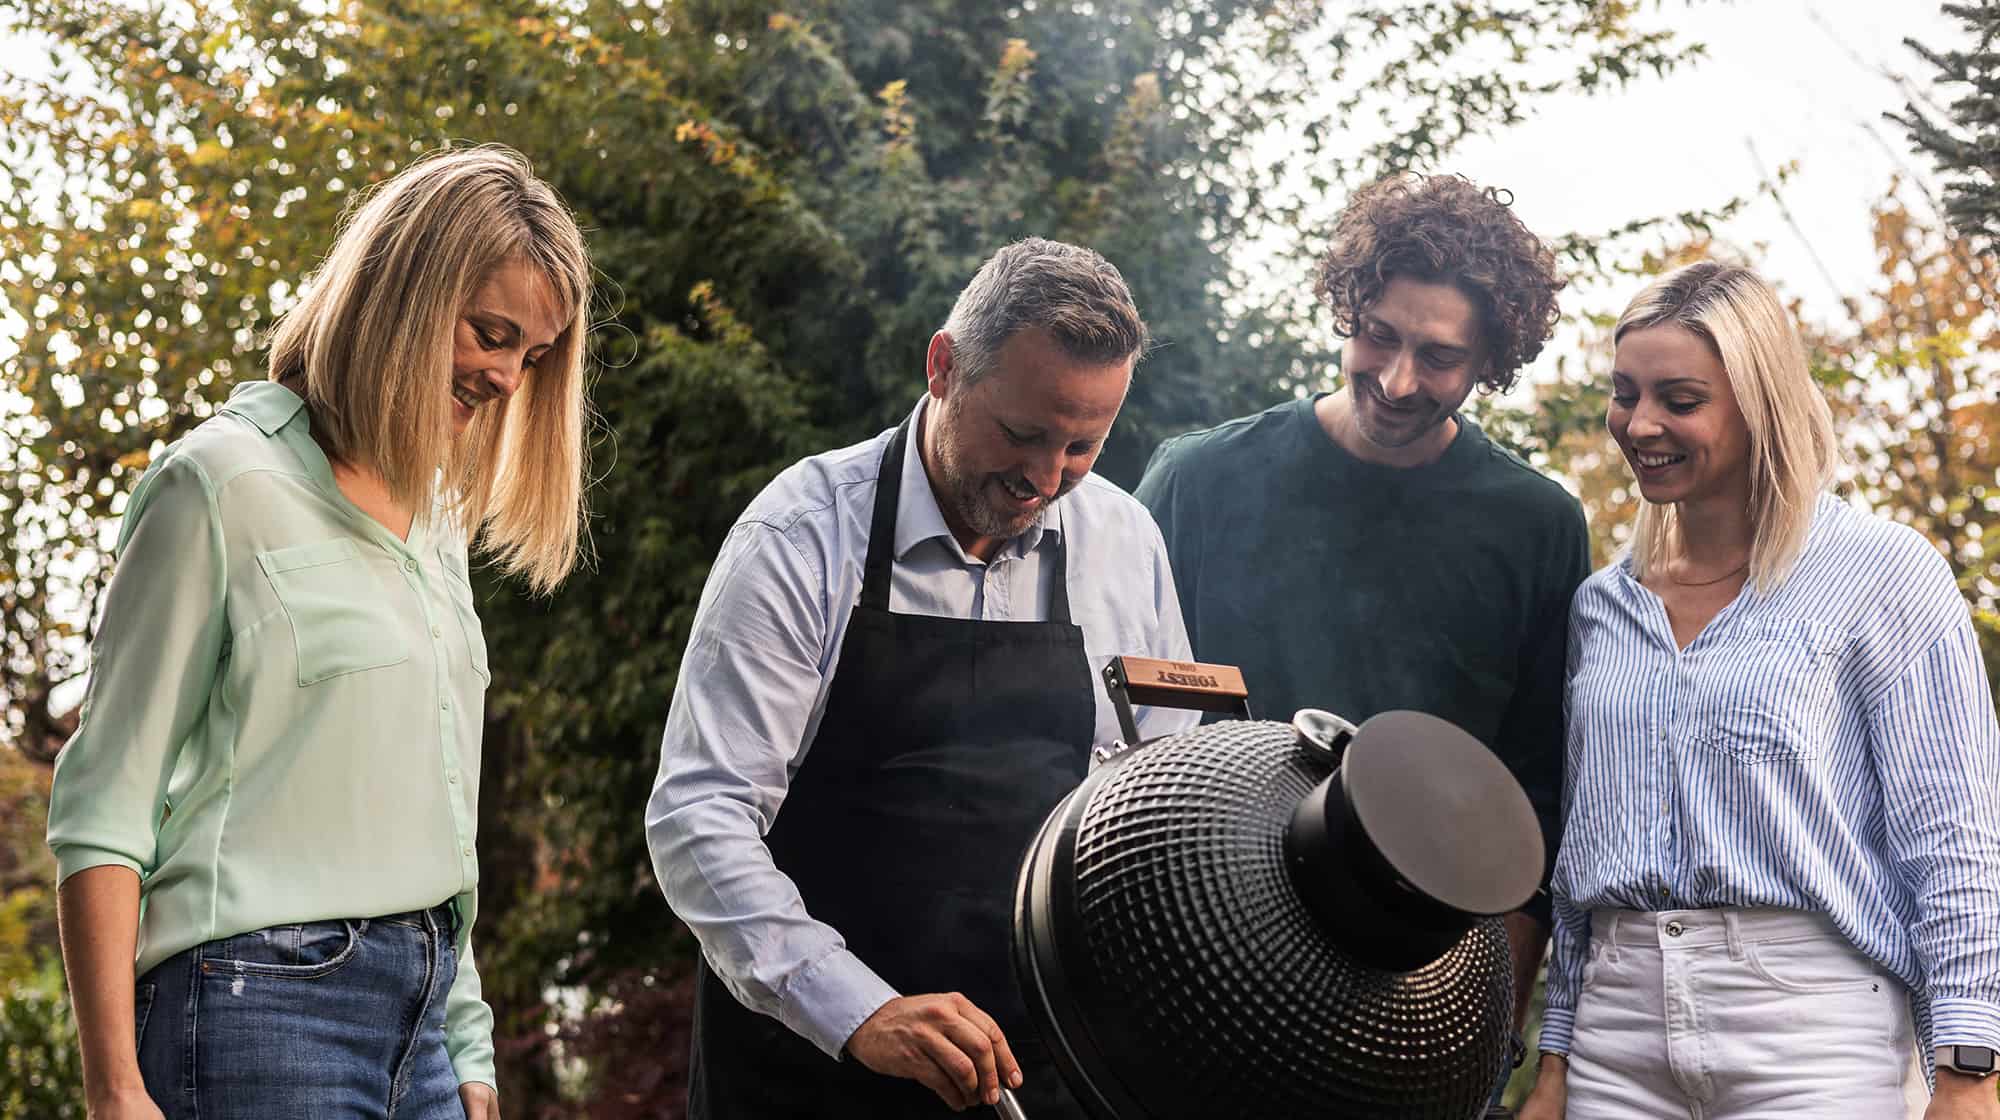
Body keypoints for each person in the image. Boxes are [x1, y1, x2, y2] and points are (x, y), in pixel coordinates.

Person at [46, 144, 594, 1120]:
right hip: (255, 1005)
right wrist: (114, 1088)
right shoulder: (215, 485)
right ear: (404, 296)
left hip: (421, 1028)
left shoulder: (436, 522)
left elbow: (438, 808)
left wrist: (467, 1046)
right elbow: (102, 808)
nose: (509, 378)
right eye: (491, 333)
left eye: (534, 355)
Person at [646, 237, 1199, 1118]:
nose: (1043, 479)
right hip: (808, 1066)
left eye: (1082, 447)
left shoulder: (1124, 542)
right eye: (1021, 434)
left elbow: (1155, 807)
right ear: (942, 366)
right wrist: (859, 1009)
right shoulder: (801, 534)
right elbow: (700, 814)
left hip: (1034, 1070)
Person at [1134, 172, 1587, 1112]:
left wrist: (1486, 1031)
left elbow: (1539, 793)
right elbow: (1104, 720)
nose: (1397, 380)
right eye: (1378, 335)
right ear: (1346, 308)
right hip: (1189, 955)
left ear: (1490, 363)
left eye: (1440, 356)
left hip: (1409, 992)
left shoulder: (1537, 526)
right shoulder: (1199, 479)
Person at [1518, 261, 2000, 1120]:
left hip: (1810, 1032)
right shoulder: (1601, 608)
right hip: (1615, 1038)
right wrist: (1555, 1057)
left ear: (1759, 403)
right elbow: (1579, 862)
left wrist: (1968, 1068)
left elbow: (1955, 838)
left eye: (1680, 399)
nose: (1641, 423)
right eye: (1626, 393)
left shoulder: (1882, 575)